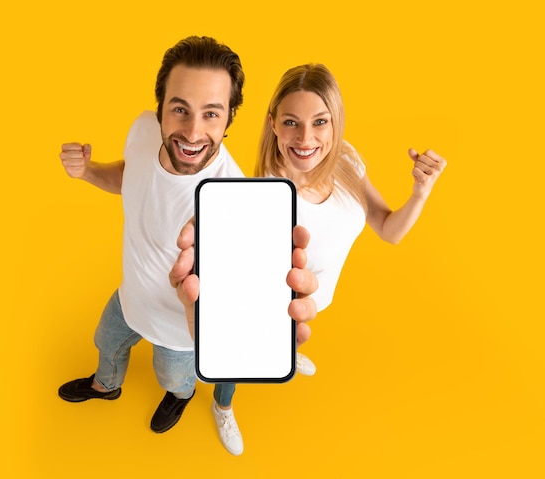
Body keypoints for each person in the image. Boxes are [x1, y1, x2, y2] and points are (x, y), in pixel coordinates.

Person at [56, 36, 318, 455]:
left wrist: (260, 320)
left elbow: (239, 293)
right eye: (180, 109)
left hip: (179, 331)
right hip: (128, 297)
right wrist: (88, 171)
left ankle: (181, 397)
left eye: (210, 114)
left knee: (174, 379)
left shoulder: (232, 196)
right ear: (160, 106)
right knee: (105, 344)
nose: (193, 132)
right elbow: (131, 175)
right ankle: (105, 387)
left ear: (229, 118)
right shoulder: (143, 129)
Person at [171, 63, 447, 455]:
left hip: (320, 298)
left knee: (295, 334)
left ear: (336, 125)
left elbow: (389, 229)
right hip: (276, 309)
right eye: (291, 122)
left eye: (320, 122)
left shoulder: (347, 160)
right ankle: (223, 404)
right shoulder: (266, 195)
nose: (305, 138)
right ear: (272, 124)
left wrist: (420, 191)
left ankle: (288, 349)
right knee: (240, 365)